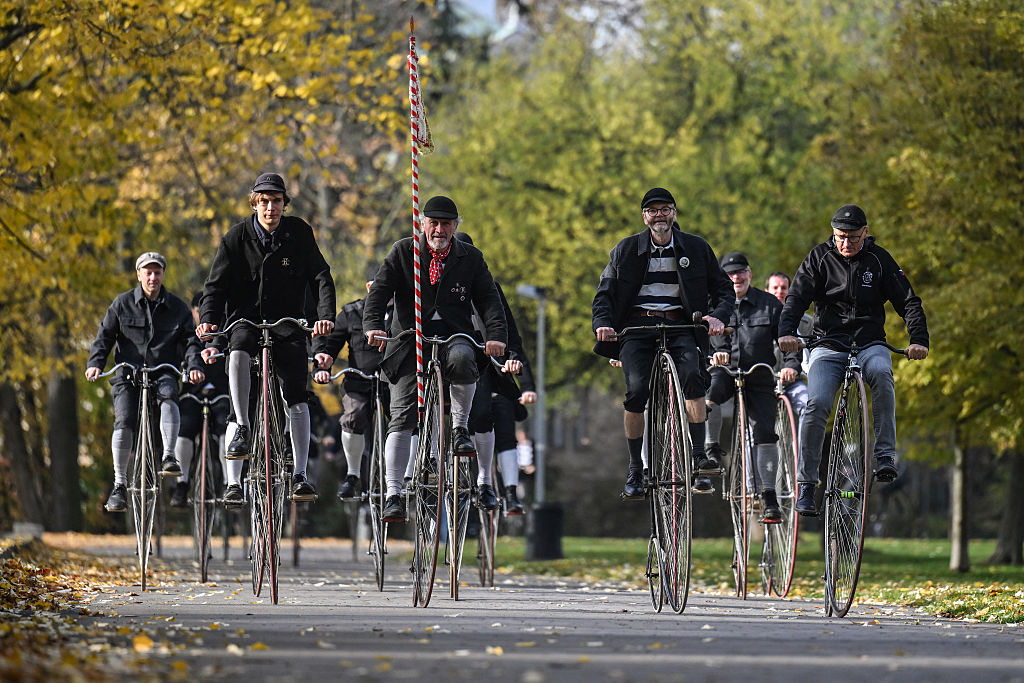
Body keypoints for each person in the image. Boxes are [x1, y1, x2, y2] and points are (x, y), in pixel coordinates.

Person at [363, 195, 508, 523]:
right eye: (434, 223)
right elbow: (379, 292)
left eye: (446, 223)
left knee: (462, 357)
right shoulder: (404, 251)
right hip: (408, 341)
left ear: (456, 226)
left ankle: (459, 430)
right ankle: (394, 493)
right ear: (422, 223)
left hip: (454, 335)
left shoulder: (470, 257)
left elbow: (489, 299)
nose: (439, 229)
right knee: (401, 414)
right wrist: (372, 327)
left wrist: (497, 336)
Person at [778, 204, 929, 515]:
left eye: (853, 238)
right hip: (828, 344)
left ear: (866, 232)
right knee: (816, 404)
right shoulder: (819, 257)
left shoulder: (879, 259)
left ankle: (885, 456)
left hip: (869, 342)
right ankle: (806, 485)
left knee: (883, 375)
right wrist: (786, 332)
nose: (845, 244)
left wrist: (918, 340)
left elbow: (908, 301)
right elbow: (795, 297)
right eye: (839, 237)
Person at [196, 172, 336, 506]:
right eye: (263, 201)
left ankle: (300, 474)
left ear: (284, 204)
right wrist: (208, 323)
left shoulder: (299, 233)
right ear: (254, 203)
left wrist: (325, 317)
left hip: (287, 323)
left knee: (297, 395)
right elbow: (214, 287)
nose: (270, 207)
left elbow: (321, 276)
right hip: (246, 319)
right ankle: (242, 432)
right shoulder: (235, 237)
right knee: (239, 349)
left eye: (275, 201)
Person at [593, 187, 732, 500]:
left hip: (680, 325)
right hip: (637, 327)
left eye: (665, 209)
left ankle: (698, 456)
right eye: (653, 210)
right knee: (636, 390)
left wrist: (717, 317)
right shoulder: (626, 249)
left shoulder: (696, 248)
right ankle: (634, 467)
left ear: (674, 214)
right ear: (644, 217)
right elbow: (605, 293)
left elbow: (723, 289)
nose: (660, 215)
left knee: (694, 378)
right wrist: (603, 324)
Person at [86, 252, 205, 512]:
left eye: (157, 272)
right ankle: (119, 485)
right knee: (125, 418)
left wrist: (194, 366)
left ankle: (168, 455)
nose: (153, 277)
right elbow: (104, 337)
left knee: (169, 394)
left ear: (163, 275)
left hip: (163, 371)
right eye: (147, 273)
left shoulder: (178, 307)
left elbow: (190, 343)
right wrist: (95, 363)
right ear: (139, 275)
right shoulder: (122, 304)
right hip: (128, 374)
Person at [705, 252, 801, 522]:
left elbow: (787, 339)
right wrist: (717, 353)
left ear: (750, 273)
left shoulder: (769, 305)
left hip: (759, 376)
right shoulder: (714, 304)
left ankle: (769, 496)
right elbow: (703, 338)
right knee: (710, 397)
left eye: (741, 272)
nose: (736, 277)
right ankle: (710, 451)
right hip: (726, 371)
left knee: (765, 432)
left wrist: (791, 364)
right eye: (730, 273)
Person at [455, 231, 535, 515]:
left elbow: (511, 337)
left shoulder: (490, 289)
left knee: (495, 415)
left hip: (487, 366)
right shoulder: (434, 284)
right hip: (446, 363)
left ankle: (504, 489)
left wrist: (524, 380)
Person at [320, 277, 384, 501]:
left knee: (408, 418)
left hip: (392, 383)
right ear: (368, 287)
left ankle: (406, 477)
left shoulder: (402, 315)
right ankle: (353, 475)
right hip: (359, 382)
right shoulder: (351, 312)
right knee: (353, 414)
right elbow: (331, 344)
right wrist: (323, 365)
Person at [170, 291, 230, 508]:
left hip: (221, 395)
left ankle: (228, 482)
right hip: (192, 396)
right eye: (200, 310)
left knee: (226, 429)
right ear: (194, 312)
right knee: (184, 428)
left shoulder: (225, 333)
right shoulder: (186, 334)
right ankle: (182, 483)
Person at [765, 271, 812, 415]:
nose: (780, 292)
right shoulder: (757, 319)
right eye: (775, 288)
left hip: (794, 381)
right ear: (766, 291)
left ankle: (804, 438)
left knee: (808, 406)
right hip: (764, 383)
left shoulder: (807, 322)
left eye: (784, 288)